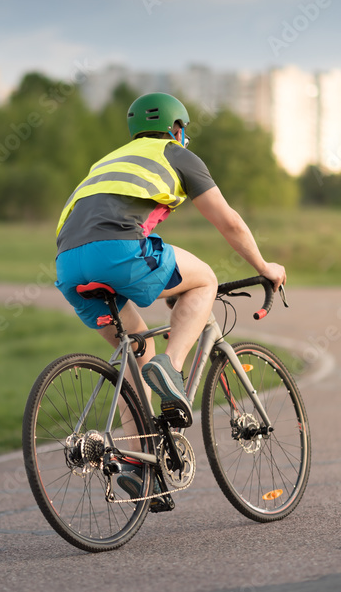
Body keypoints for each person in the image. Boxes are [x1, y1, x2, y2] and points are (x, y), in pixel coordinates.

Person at [55, 92, 286, 496]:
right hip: (117, 250)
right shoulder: (175, 154)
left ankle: (139, 464)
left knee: (133, 357)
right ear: (177, 129)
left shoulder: (109, 160)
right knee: (205, 280)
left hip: (68, 264)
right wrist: (264, 268)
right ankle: (172, 367)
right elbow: (228, 221)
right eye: (184, 131)